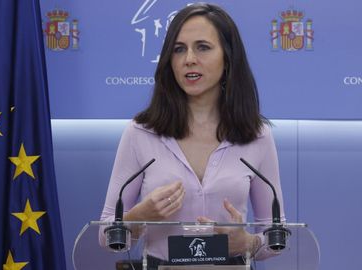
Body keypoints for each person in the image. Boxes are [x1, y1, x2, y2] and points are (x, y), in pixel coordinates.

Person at [100, 2, 285, 267]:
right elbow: (106, 235)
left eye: (203, 47)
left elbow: (276, 235)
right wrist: (139, 217)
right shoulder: (140, 132)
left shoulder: (257, 135)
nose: (188, 59)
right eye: (179, 49)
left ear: (228, 57)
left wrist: (247, 243)